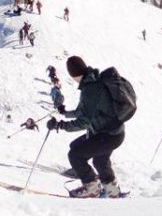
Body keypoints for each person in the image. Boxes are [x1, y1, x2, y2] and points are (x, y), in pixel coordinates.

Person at [47, 56, 124, 198]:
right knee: (99, 160)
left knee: (75, 155)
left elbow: (84, 121)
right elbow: (82, 112)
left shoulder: (90, 89)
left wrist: (61, 125)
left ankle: (92, 187)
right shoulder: (93, 81)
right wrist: (65, 113)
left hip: (107, 135)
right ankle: (113, 191)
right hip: (113, 132)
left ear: (74, 74)